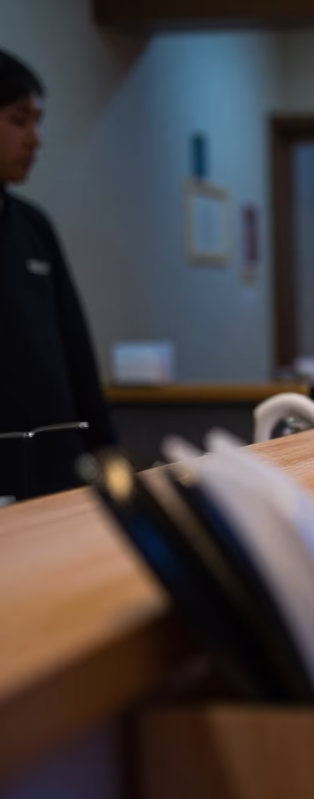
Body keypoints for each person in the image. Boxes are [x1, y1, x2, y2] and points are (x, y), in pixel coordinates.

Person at [0, 50, 114, 500]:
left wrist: (105, 445)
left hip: (57, 468)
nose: (36, 139)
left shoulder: (32, 225)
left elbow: (73, 346)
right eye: (18, 120)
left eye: (38, 122)